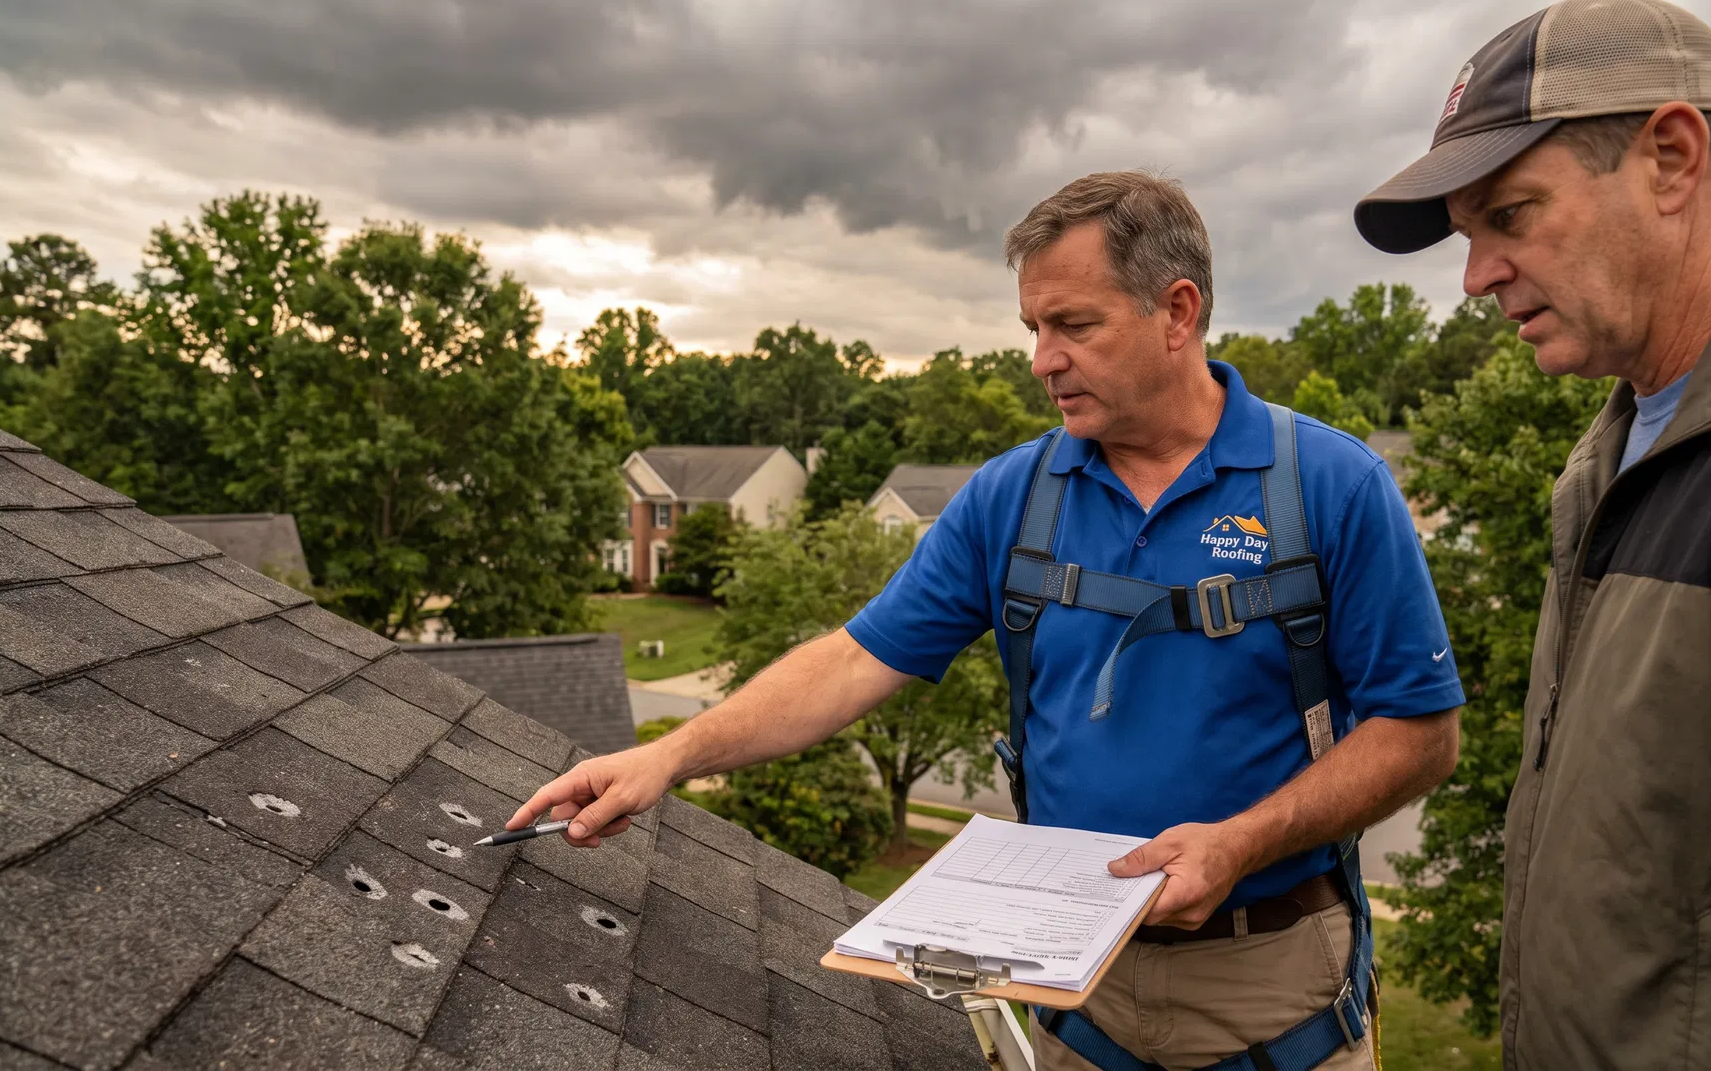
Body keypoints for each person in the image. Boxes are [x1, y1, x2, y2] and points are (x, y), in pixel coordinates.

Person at [514, 170, 1464, 1071]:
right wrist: (668, 757)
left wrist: (1239, 842)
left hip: (1272, 974)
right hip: (1069, 981)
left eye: (1074, 326)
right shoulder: (1014, 497)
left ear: (1177, 313)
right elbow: (851, 662)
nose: (1043, 361)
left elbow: (1420, 733)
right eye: (1034, 327)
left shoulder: (1330, 488)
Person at [1355, 0, 1711, 1068]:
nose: (1476, 276)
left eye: (1512, 215)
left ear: (1672, 157)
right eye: (1468, 236)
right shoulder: (1622, 440)